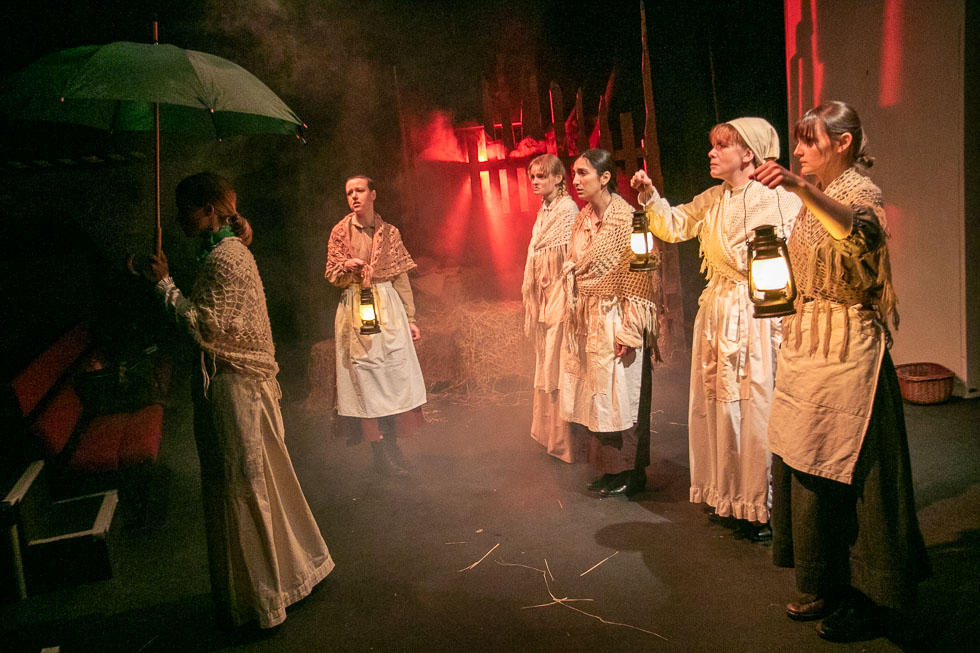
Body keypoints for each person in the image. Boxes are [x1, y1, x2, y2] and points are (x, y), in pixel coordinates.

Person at [752, 101, 929, 642]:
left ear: (843, 143)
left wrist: (798, 187)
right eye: (798, 142)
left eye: (809, 141)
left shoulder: (859, 193)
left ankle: (872, 595)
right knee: (809, 466)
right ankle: (828, 580)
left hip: (850, 350)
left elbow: (860, 234)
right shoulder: (815, 199)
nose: (798, 151)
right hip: (811, 347)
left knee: (861, 477)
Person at [146, 172, 334, 630]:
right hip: (239, 385)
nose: (178, 219)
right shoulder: (225, 252)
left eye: (186, 210)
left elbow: (204, 325)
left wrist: (165, 284)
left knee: (244, 484)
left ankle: (264, 598)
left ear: (209, 210)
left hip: (236, 388)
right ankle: (287, 577)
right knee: (260, 479)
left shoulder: (226, 258)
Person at [630, 118, 802, 542]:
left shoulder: (779, 201)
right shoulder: (713, 198)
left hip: (759, 315)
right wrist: (650, 196)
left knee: (755, 406)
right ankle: (730, 497)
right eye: (712, 145)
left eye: (722, 146)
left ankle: (762, 505)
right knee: (719, 408)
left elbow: (798, 256)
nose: (711, 152)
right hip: (719, 313)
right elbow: (674, 225)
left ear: (749, 153)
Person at [561, 148, 659, 497]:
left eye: (583, 173)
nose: (575, 181)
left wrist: (630, 331)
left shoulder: (627, 220)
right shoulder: (582, 219)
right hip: (590, 318)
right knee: (598, 397)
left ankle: (631, 472)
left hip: (618, 315)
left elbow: (640, 278)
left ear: (604, 178)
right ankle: (609, 469)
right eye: (574, 173)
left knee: (623, 395)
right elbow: (575, 265)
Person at [325, 175, 426, 477]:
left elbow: (401, 277)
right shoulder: (340, 232)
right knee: (366, 380)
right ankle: (380, 453)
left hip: (387, 306)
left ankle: (394, 447)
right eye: (349, 192)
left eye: (359, 191)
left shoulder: (390, 233)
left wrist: (410, 318)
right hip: (356, 305)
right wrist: (346, 267)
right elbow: (332, 275)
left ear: (373, 194)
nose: (354, 196)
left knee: (393, 378)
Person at [521, 154, 581, 462]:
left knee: (558, 361)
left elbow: (570, 257)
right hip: (545, 294)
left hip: (560, 292)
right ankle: (548, 435)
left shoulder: (567, 211)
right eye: (532, 176)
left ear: (558, 178)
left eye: (541, 176)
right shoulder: (543, 212)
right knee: (546, 360)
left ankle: (565, 441)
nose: (535, 181)